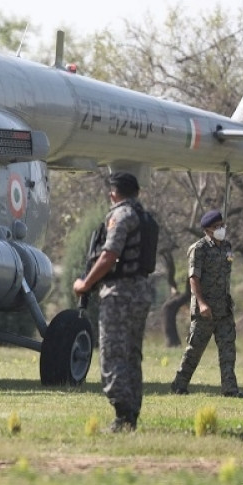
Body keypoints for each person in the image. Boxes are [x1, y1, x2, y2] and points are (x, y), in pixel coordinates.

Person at [73, 172, 154, 432]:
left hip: (120, 294)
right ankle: (131, 414)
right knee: (131, 354)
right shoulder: (144, 217)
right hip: (140, 292)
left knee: (113, 353)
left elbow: (109, 255)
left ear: (114, 193)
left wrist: (85, 284)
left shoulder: (121, 216)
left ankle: (123, 415)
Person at [170, 209, 243, 398]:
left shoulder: (227, 247)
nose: (221, 229)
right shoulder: (199, 249)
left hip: (223, 308)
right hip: (205, 309)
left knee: (228, 350)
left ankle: (230, 389)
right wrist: (202, 303)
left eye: (222, 225)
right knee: (194, 350)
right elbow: (193, 279)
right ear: (207, 230)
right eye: (217, 227)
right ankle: (179, 385)